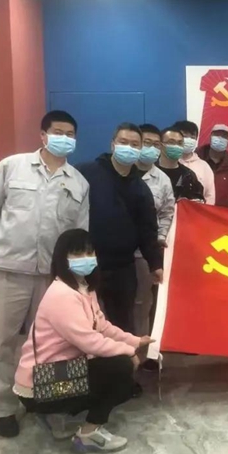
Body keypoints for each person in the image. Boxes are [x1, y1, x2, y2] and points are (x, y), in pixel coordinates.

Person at [0, 110, 89, 438]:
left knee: (53, 343)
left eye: (70, 134)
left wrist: (75, 276)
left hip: (52, 278)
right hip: (8, 270)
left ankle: (45, 404)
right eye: (58, 132)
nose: (64, 138)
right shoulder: (12, 167)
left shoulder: (78, 182)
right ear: (43, 135)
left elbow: (80, 234)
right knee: (3, 341)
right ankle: (4, 408)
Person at [14, 229, 154, 453]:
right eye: (77, 254)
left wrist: (135, 341)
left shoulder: (83, 288)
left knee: (122, 377)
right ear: (63, 258)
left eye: (90, 253)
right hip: (41, 384)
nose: (86, 258)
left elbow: (102, 326)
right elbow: (89, 342)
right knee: (120, 369)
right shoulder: (62, 295)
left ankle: (57, 413)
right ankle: (87, 433)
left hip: (58, 373)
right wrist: (128, 351)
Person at [77, 123, 163, 336]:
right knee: (84, 321)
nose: (129, 148)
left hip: (122, 268)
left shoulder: (141, 188)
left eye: (135, 144)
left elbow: (147, 230)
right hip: (85, 264)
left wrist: (155, 264)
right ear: (113, 144)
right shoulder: (86, 172)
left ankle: (123, 357)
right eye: (124, 142)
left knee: (123, 323)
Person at [134, 124, 174, 347]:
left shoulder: (162, 180)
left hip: (144, 254)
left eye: (156, 145)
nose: (150, 148)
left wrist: (160, 237)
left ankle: (139, 350)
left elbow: (167, 212)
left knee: (143, 303)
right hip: (113, 253)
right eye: (146, 143)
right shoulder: (117, 173)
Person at [196, 123, 228, 207]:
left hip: (221, 212)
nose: (220, 138)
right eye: (217, 135)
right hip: (198, 209)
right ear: (211, 137)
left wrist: (219, 209)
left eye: (224, 136)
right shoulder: (196, 159)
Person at [171, 120, 216, 205]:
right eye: (185, 136)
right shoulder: (169, 164)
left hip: (198, 212)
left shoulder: (204, 166)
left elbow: (210, 196)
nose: (189, 140)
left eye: (192, 137)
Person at [158, 126, 206, 203]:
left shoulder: (188, 176)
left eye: (180, 143)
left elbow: (198, 202)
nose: (176, 146)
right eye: (171, 142)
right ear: (160, 145)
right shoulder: (150, 171)